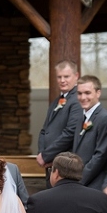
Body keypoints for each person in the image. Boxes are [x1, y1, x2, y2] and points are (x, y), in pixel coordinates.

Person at [36, 59, 83, 187]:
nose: (62, 80)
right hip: (50, 164)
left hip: (64, 166)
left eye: (66, 76)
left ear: (76, 76)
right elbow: (44, 130)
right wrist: (41, 153)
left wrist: (46, 155)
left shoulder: (77, 100)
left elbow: (70, 132)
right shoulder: (57, 101)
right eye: (59, 77)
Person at [71, 75, 107, 190]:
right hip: (78, 181)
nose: (82, 97)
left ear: (98, 93)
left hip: (93, 183)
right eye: (79, 93)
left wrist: (79, 180)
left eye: (87, 93)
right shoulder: (81, 118)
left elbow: (100, 156)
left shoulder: (104, 118)